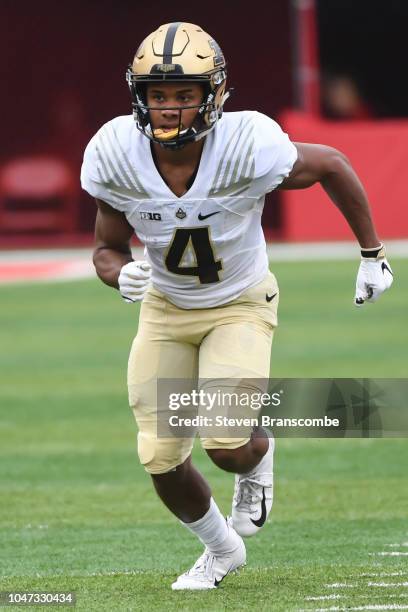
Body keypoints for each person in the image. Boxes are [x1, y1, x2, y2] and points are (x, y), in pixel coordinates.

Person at [80, 22, 393, 590]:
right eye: (157, 95)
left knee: (226, 444)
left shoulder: (245, 143)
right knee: (159, 456)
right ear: (137, 96)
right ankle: (221, 550)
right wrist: (117, 272)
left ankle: (259, 457)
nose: (169, 107)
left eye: (183, 94)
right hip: (164, 309)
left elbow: (331, 164)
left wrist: (372, 254)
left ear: (214, 95)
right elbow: (106, 246)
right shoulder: (115, 152)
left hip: (239, 303)